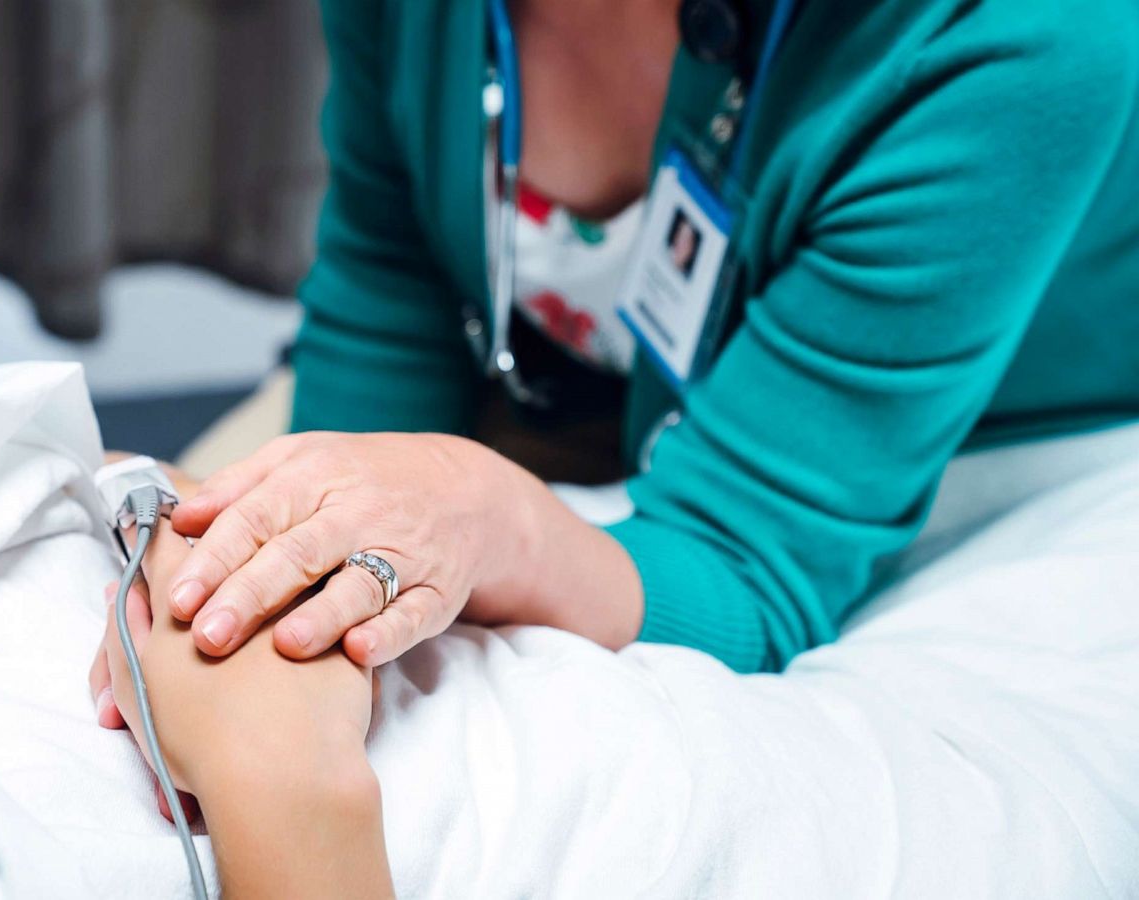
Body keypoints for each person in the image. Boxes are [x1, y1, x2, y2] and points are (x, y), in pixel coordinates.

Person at [89, 0, 1139, 691]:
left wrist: (489, 515)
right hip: (588, 404)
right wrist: (311, 520)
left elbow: (751, 561)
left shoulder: (1022, 33)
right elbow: (387, 274)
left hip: (975, 462)